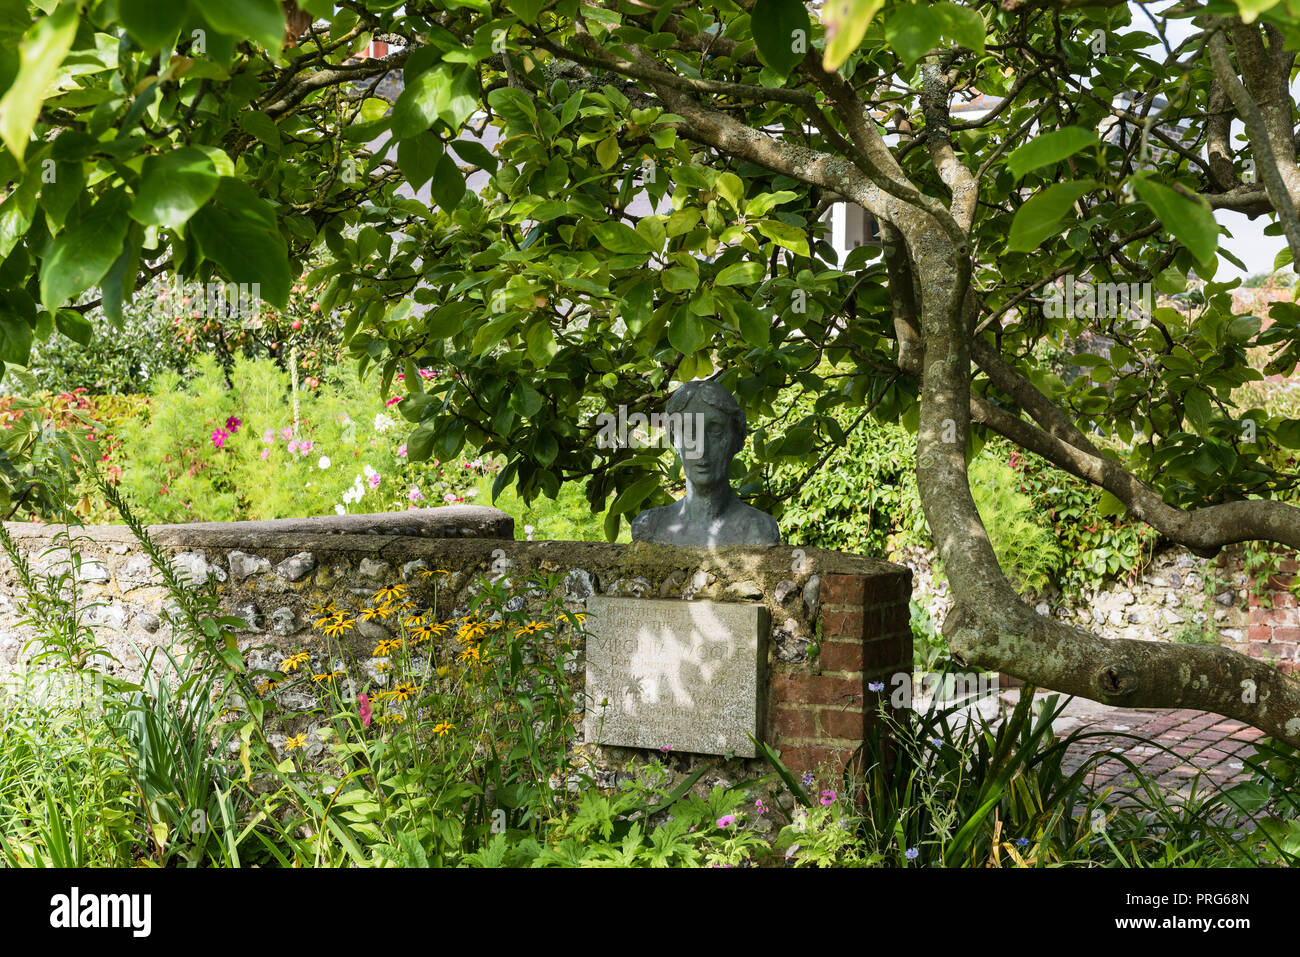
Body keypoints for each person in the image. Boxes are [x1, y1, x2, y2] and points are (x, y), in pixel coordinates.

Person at [631, 379, 781, 546]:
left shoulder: (760, 529)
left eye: (715, 430)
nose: (701, 448)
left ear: (737, 438)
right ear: (674, 439)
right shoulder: (651, 526)